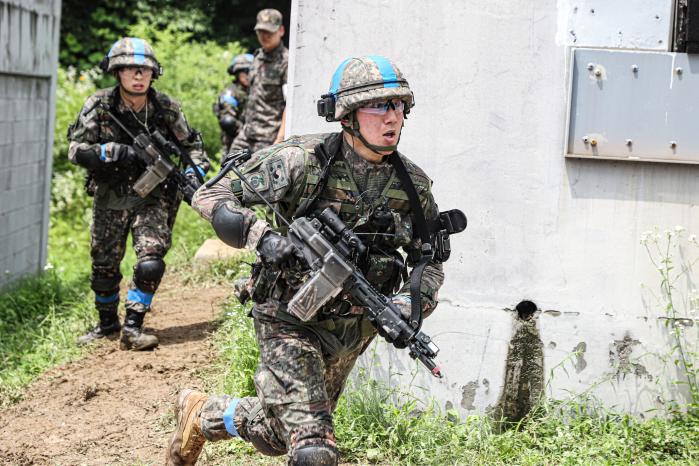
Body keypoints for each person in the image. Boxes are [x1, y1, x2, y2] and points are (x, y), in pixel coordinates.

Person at [166, 56, 447, 466]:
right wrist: (261, 237)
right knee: (313, 449)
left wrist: (409, 304)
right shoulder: (302, 160)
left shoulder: (413, 185)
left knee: (278, 434)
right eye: (379, 106)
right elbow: (212, 194)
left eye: (399, 106)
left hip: (354, 325)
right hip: (287, 315)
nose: (393, 117)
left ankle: (204, 412)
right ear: (347, 116)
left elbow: (429, 260)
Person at [68, 37, 210, 351]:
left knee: (151, 258)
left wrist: (192, 173)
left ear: (153, 73)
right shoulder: (99, 105)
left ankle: (133, 325)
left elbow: (194, 148)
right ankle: (107, 324)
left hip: (155, 193)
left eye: (144, 70)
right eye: (130, 69)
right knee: (104, 262)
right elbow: (74, 150)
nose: (138, 76)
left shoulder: (166, 107)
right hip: (111, 191)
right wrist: (106, 152)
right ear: (117, 72)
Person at [229, 8, 288, 154]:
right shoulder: (257, 57)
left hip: (268, 138)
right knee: (227, 172)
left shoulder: (286, 62)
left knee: (256, 177)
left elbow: (290, 105)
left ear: (281, 31)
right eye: (261, 31)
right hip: (247, 134)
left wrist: (279, 140)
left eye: (269, 32)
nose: (264, 36)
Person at [213, 53, 253, 156]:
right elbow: (228, 121)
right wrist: (248, 133)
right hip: (236, 143)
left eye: (249, 71)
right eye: (243, 72)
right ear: (237, 74)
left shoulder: (258, 91)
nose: (247, 75)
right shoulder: (230, 93)